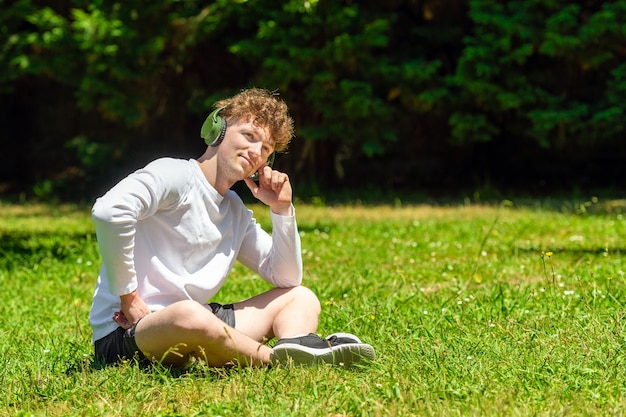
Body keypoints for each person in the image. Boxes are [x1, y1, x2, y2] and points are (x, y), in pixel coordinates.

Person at [89, 88, 375, 368]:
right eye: (249, 137)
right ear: (217, 130)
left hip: (196, 320)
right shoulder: (174, 174)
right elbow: (109, 211)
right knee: (190, 316)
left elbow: (286, 277)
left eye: (265, 149)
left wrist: (281, 210)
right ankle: (281, 361)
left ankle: (297, 345)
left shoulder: (235, 210)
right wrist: (130, 299)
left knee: (301, 297)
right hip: (127, 331)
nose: (255, 152)